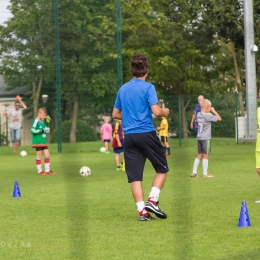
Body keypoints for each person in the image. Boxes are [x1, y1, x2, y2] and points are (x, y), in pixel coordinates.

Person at [112, 53, 170, 221]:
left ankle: (142, 213)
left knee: (135, 177)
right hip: (146, 133)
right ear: (147, 70)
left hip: (129, 136)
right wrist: (165, 112)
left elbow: (115, 114)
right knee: (162, 168)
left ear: (131, 70)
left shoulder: (123, 89)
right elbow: (157, 111)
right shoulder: (148, 87)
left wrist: (130, 117)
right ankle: (152, 200)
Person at [191, 99, 221, 178]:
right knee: (206, 155)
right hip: (206, 138)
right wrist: (213, 111)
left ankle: (194, 172)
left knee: (199, 154)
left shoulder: (199, 114)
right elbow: (219, 118)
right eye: (210, 107)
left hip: (199, 137)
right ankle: (205, 173)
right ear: (208, 107)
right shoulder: (208, 116)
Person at [31, 107, 55, 175]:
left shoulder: (44, 121)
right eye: (43, 115)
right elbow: (32, 131)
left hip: (43, 142)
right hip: (38, 142)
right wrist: (40, 131)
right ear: (39, 114)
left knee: (47, 154)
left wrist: (48, 124)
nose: (44, 117)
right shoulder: (36, 121)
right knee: (39, 155)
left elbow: (47, 130)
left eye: (45, 115)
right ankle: (40, 171)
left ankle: (47, 170)